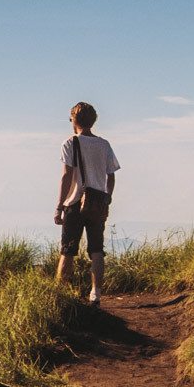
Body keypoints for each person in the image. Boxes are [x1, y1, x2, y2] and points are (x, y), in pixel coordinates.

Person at [55, 102, 120, 303]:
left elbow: (67, 176)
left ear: (74, 120)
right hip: (97, 202)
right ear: (93, 121)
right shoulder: (104, 145)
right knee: (96, 250)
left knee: (68, 250)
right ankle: (96, 293)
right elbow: (111, 176)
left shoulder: (70, 143)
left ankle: (61, 294)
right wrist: (107, 197)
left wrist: (59, 206)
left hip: (74, 203)